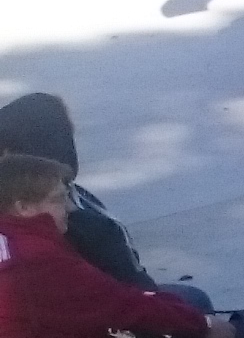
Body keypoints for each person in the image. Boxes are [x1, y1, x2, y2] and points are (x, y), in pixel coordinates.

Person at [0, 154, 230, 338]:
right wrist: (204, 326)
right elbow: (122, 306)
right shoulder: (33, 260)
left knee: (186, 300)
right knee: (197, 316)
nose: (69, 209)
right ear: (23, 207)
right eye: (58, 200)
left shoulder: (14, 243)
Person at [0, 94, 164, 292]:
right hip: (115, 307)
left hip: (116, 298)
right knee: (195, 299)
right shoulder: (77, 222)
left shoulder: (71, 198)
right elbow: (129, 291)